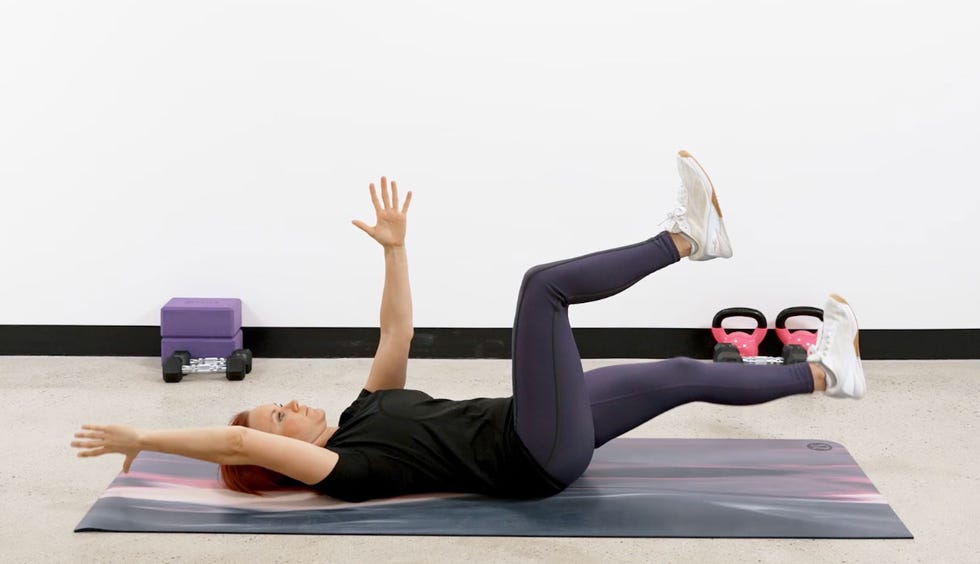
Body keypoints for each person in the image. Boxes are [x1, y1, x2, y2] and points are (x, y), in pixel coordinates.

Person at [71, 151, 865, 502]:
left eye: (282, 407)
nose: (294, 408)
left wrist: (396, 250)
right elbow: (240, 445)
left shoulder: (363, 416)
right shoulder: (342, 474)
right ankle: (687, 241)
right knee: (543, 289)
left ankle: (825, 375)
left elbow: (397, 337)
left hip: (540, 435)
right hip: (532, 454)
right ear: (288, 457)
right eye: (284, 418)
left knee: (676, 374)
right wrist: (145, 437)